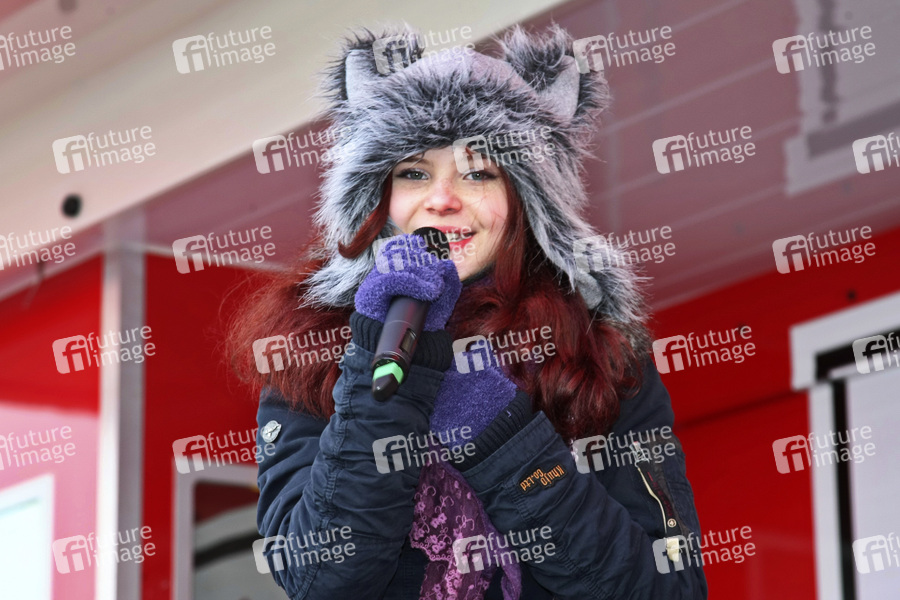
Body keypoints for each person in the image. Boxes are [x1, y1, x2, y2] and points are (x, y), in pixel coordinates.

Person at [228, 24, 708, 600]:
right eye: (413, 173)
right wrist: (381, 364)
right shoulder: (312, 350)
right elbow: (321, 579)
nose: (442, 199)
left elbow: (668, 590)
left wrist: (496, 430)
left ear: (526, 200)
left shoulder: (600, 354)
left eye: (478, 172)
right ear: (377, 198)